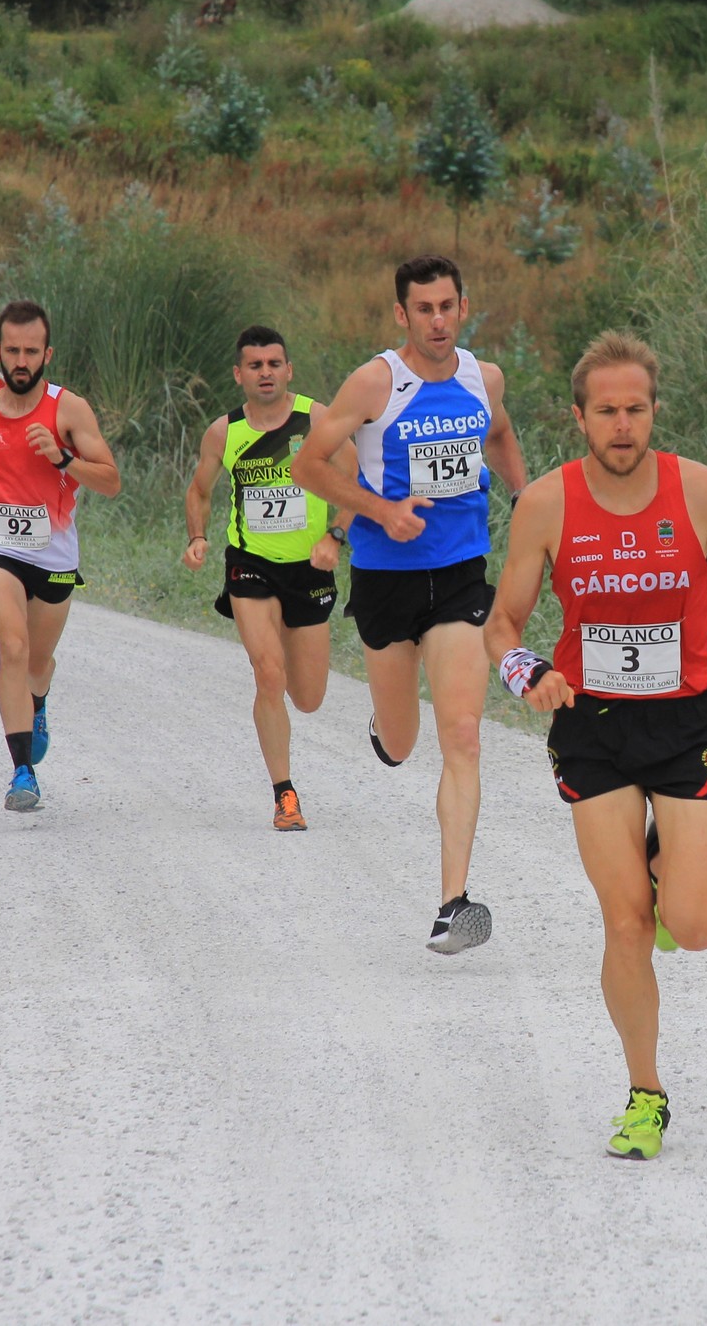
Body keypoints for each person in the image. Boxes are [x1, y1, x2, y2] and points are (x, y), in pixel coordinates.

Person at [485, 332, 707, 1160]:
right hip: (591, 727)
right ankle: (645, 1093)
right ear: (579, 417)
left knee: (692, 928)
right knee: (625, 924)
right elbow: (503, 622)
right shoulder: (546, 503)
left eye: (636, 409)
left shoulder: (703, 491)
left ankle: (666, 864)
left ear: (655, 410)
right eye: (607, 412)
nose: (623, 425)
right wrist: (527, 673)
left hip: (685, 723)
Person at [291, 255, 528, 953]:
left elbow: (503, 435)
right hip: (387, 578)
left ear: (462, 307)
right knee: (402, 742)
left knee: (463, 734)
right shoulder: (375, 383)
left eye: (447, 306)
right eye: (423, 309)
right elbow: (309, 464)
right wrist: (380, 511)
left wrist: (527, 500)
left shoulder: (482, 379)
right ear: (402, 314)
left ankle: (453, 904)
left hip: (460, 578)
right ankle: (384, 726)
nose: (437, 320)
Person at [0, 300, 121, 812]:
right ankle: (22, 772)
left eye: (31, 352)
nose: (21, 361)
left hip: (55, 555)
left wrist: (64, 457)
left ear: (47, 354)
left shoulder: (69, 410)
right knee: (12, 648)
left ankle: (37, 701)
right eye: (13, 350)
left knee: (37, 663)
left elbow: (111, 480)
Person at [183, 325, 354, 831]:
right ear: (239, 375)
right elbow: (199, 491)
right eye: (255, 365)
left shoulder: (316, 419)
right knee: (268, 673)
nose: (265, 373)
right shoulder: (224, 432)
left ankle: (286, 637)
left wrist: (335, 537)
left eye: (274, 364)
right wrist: (197, 536)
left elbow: (354, 481)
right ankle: (285, 795)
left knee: (308, 697)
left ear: (288, 370)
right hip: (250, 565)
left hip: (308, 568)